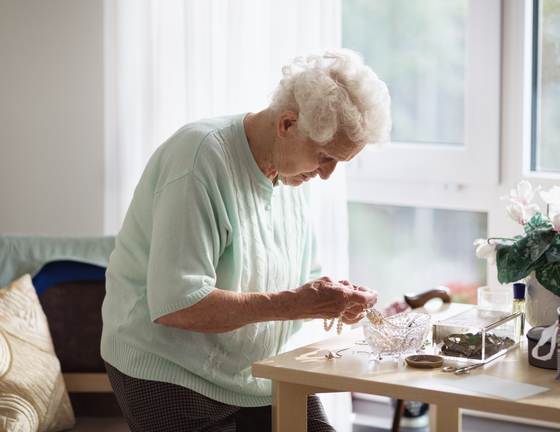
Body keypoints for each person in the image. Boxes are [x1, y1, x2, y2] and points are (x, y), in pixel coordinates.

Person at [101, 48, 392, 432]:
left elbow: (303, 278)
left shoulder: (290, 173)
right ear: (287, 124)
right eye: (324, 157)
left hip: (255, 375)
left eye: (339, 162)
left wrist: (332, 301)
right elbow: (179, 305)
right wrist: (299, 304)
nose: (325, 175)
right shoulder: (199, 159)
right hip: (170, 369)